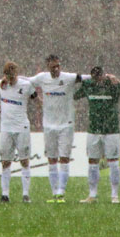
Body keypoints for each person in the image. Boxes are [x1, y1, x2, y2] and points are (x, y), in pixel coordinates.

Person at [29, 54, 87, 203]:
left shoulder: (68, 77)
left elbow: (85, 78)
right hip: (48, 125)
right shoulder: (42, 78)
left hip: (66, 125)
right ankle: (54, 193)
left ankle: (61, 192)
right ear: (48, 67)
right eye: (53, 66)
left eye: (58, 66)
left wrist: (104, 77)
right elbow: (25, 83)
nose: (56, 69)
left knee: (64, 158)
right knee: (52, 159)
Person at [75, 66, 120, 203]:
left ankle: (114, 195)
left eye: (99, 78)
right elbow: (74, 96)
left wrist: (119, 83)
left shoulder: (112, 85)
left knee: (113, 162)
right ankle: (92, 195)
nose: (97, 81)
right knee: (93, 162)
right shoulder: (88, 85)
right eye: (95, 79)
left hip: (111, 130)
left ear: (104, 76)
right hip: (94, 130)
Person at [0, 62, 38, 203]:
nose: (10, 79)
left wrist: (42, 113)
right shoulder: (0, 85)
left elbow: (37, 99)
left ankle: (26, 195)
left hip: (22, 127)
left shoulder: (26, 85)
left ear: (17, 73)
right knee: (5, 162)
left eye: (13, 75)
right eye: (8, 75)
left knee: (24, 160)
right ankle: (5, 195)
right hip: (6, 128)